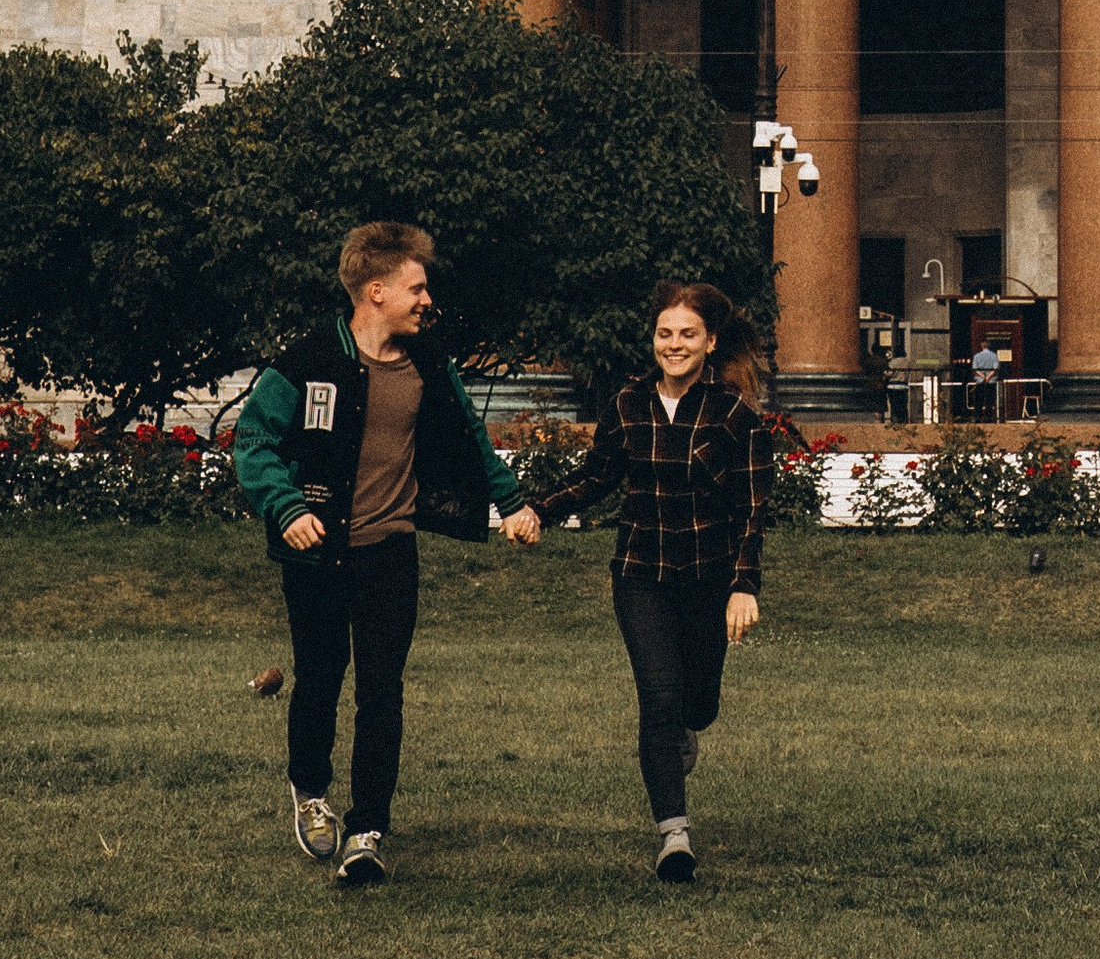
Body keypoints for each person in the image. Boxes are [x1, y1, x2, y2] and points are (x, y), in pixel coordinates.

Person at [233, 220, 541, 889]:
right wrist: (286, 509)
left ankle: (367, 831)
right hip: (317, 555)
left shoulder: (429, 364)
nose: (427, 299)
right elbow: (252, 440)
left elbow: (469, 438)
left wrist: (512, 504)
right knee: (319, 679)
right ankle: (311, 793)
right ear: (375, 291)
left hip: (390, 554)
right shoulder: (308, 362)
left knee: (382, 691)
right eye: (417, 287)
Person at [533, 283, 776, 888]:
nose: (675, 344)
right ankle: (674, 834)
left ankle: (686, 729)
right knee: (659, 699)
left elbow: (752, 509)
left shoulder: (735, 415)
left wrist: (744, 586)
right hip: (640, 577)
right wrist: (537, 508)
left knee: (698, 704)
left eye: (688, 334)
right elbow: (598, 478)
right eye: (665, 334)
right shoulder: (627, 405)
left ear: (710, 342)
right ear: (653, 341)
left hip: (708, 581)